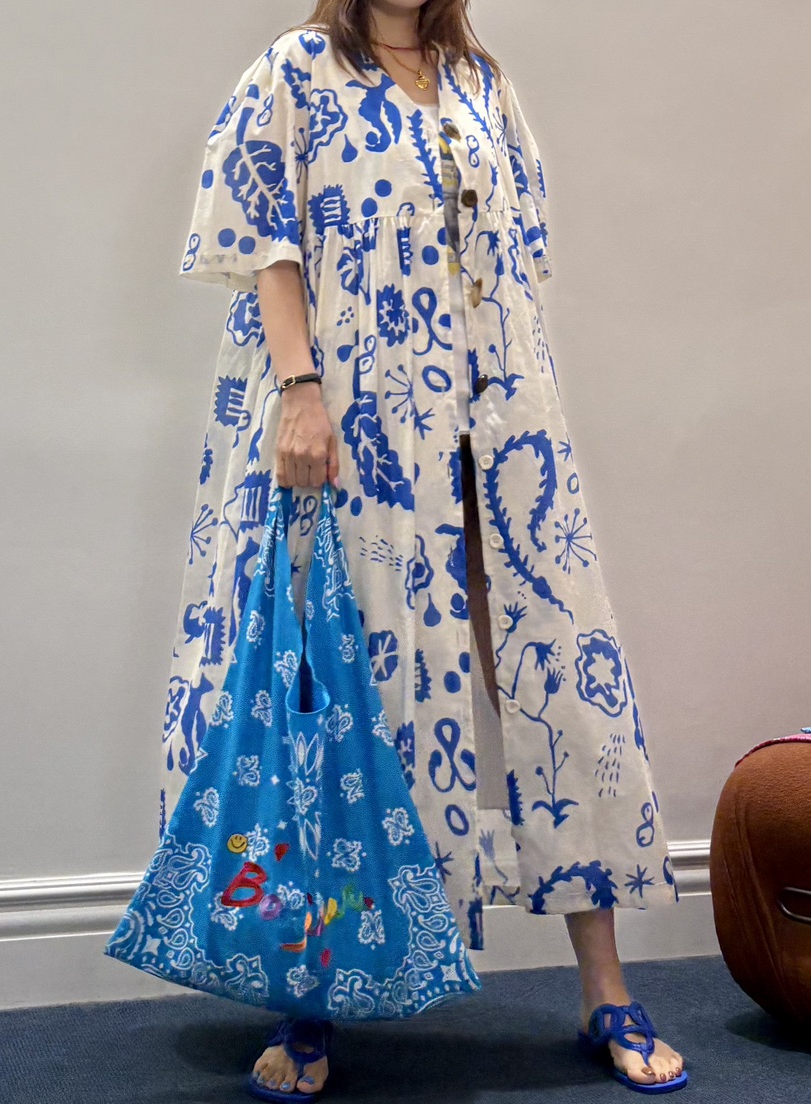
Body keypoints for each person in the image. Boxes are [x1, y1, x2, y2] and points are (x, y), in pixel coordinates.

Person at [167, 0, 687, 1096]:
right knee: (341, 697)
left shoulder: (478, 81)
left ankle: (604, 990)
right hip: (359, 428)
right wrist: (301, 390)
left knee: (553, 676)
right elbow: (267, 241)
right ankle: (312, 993)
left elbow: (514, 258)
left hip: (495, 426)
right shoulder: (296, 71)